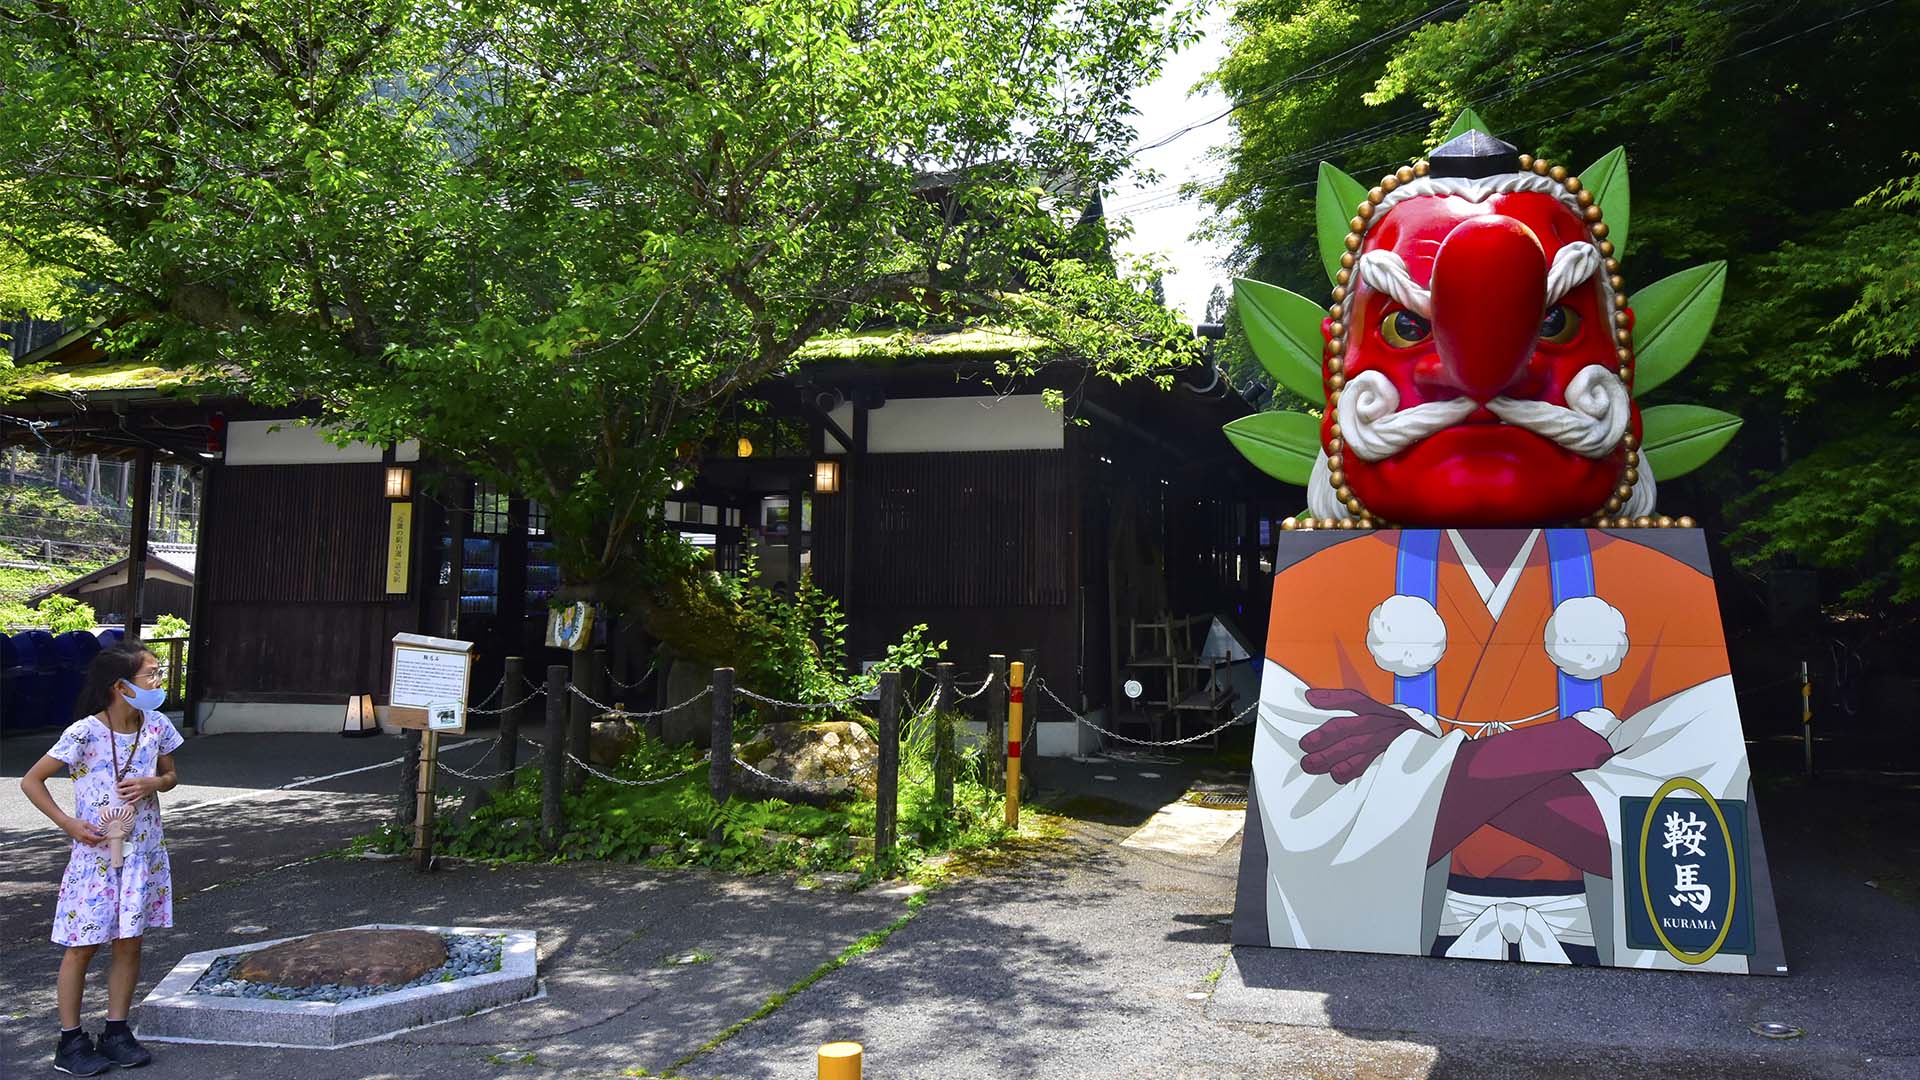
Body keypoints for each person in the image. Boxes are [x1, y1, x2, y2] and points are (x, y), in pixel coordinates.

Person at [20, 644, 183, 1075]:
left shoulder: (157, 726)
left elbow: (171, 776)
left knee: (130, 942)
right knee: (83, 946)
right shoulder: (83, 733)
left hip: (142, 853)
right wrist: (68, 824)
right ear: (120, 686)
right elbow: (32, 781)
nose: (158, 681)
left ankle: (116, 1030)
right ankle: (70, 1041)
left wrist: (155, 781)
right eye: (150, 674)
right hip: (93, 859)